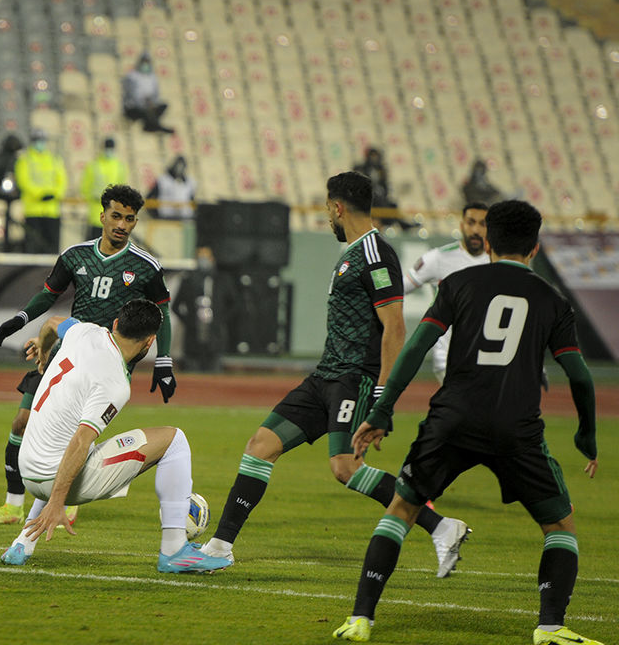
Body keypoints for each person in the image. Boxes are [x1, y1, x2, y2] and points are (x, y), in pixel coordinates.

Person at [332, 199, 600, 644]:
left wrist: (382, 410)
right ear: (535, 248)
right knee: (559, 526)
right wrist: (586, 434)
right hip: (517, 427)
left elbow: (416, 347)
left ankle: (360, 619)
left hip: (452, 419)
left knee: (402, 510)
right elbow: (580, 375)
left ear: (488, 242)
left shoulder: (459, 282)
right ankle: (551, 627)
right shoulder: (552, 300)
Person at [199, 172, 469, 575]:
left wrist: (382, 396)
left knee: (345, 468)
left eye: (328, 209)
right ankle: (220, 546)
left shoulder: (375, 254)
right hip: (325, 376)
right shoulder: (356, 252)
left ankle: (442, 527)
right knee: (260, 445)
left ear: (338, 207)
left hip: (354, 379)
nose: (328, 218)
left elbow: (395, 327)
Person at [0, 183, 178, 525]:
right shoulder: (75, 255)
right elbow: (48, 294)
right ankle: (12, 506)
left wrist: (164, 360)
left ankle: (68, 497)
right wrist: (19, 319)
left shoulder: (145, 265)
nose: (122, 225)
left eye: (130, 219)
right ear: (102, 216)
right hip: (67, 349)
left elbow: (162, 312)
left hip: (107, 362)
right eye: (116, 216)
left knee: (79, 432)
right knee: (21, 421)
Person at [0, 300, 230, 573]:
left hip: (27, 470)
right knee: (175, 441)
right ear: (150, 342)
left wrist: (44, 348)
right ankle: (174, 550)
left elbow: (51, 324)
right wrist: (57, 502)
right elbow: (80, 441)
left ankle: (22, 544)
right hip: (52, 483)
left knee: (65, 442)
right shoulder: (116, 382)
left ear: (116, 323)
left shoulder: (83, 331)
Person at [403, 202, 489, 381]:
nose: (476, 230)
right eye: (471, 222)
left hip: (487, 360)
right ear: (461, 225)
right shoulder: (439, 258)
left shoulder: (497, 261)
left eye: (483, 224)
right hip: (449, 361)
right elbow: (400, 288)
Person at [15, 128, 67, 254]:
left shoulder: (54, 159)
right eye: (37, 140)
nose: (40, 143)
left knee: (51, 248)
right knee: (33, 247)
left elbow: (62, 180)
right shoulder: (24, 160)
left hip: (52, 211)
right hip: (33, 210)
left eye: (42, 140)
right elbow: (23, 181)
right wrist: (40, 194)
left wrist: (55, 194)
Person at [172, 245, 220, 371]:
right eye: (200, 257)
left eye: (206, 257)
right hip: (193, 337)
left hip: (214, 339)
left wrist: (220, 319)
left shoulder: (221, 280)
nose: (203, 260)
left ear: (212, 259)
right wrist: (188, 321)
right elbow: (176, 305)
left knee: (214, 373)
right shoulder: (188, 280)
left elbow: (233, 303)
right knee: (192, 372)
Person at [354, 147, 415, 231]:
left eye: (376, 156)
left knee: (392, 205)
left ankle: (401, 224)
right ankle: (398, 223)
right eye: (372, 156)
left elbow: (384, 186)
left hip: (379, 199)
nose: (374, 159)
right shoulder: (361, 168)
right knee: (378, 198)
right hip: (366, 198)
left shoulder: (381, 170)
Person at [80, 136, 127, 237]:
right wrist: (93, 197)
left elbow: (122, 189)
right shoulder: (94, 165)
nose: (108, 151)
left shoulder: (119, 167)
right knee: (94, 241)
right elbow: (85, 187)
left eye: (110, 148)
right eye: (107, 148)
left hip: (112, 213)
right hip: (95, 212)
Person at [122, 52, 174, 133]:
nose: (145, 65)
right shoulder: (132, 76)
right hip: (134, 106)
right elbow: (130, 94)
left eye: (147, 62)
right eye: (144, 62)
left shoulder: (152, 77)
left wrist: (152, 102)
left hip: (149, 105)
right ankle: (156, 127)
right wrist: (143, 102)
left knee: (162, 106)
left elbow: (156, 94)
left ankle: (151, 125)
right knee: (145, 111)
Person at [147, 155, 196, 219]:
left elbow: (192, 200)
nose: (179, 168)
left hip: (185, 217)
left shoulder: (190, 182)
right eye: (178, 166)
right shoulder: (163, 180)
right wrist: (156, 215)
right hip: (166, 217)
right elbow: (149, 198)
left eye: (182, 166)